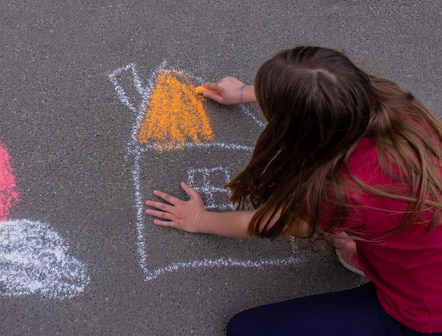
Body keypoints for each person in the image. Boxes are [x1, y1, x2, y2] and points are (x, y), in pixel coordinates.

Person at [145, 46, 442, 335]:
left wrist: (199, 220)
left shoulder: (341, 191)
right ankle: (365, 244)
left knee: (246, 329)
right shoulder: (399, 108)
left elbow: (267, 222)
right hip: (425, 255)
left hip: (423, 315)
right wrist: (244, 92)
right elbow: (316, 90)